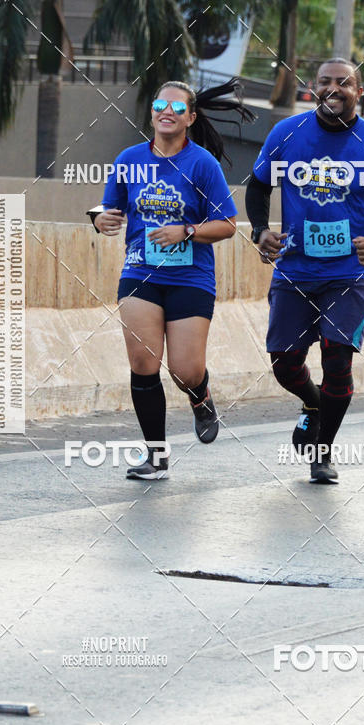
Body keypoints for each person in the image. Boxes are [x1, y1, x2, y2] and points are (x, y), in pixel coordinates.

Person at [246, 58, 364, 484]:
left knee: (337, 359)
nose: (333, 88)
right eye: (325, 81)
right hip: (294, 270)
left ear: (359, 92)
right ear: (314, 87)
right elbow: (258, 185)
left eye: (344, 82)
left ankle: (322, 452)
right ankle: (313, 402)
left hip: (348, 274)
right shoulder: (286, 133)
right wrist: (261, 230)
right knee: (285, 364)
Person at [89, 78, 254, 480]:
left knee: (184, 371)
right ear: (152, 113)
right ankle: (156, 456)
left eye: (178, 108)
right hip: (140, 271)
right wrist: (99, 219)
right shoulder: (129, 159)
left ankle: (201, 396)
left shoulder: (202, 164)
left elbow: (228, 224)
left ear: (190, 118)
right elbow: (108, 208)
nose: (168, 112)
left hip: (190, 277)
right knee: (143, 362)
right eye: (161, 105)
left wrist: (188, 231)